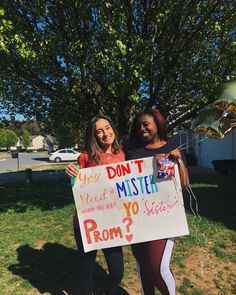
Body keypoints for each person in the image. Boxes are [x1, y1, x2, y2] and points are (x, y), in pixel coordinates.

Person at [126, 108, 189, 295]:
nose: (142, 129)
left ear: (157, 124)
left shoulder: (171, 150)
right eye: (138, 126)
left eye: (146, 124)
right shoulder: (132, 152)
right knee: (143, 264)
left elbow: (184, 185)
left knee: (157, 266)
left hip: (165, 217)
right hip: (137, 217)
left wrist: (180, 163)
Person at [65, 114, 125, 295]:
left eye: (107, 128)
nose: (105, 133)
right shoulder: (86, 157)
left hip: (113, 222)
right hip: (87, 222)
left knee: (117, 271)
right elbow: (78, 187)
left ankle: (108, 289)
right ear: (94, 135)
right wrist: (71, 172)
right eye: (99, 131)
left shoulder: (122, 154)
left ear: (113, 128)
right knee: (87, 267)